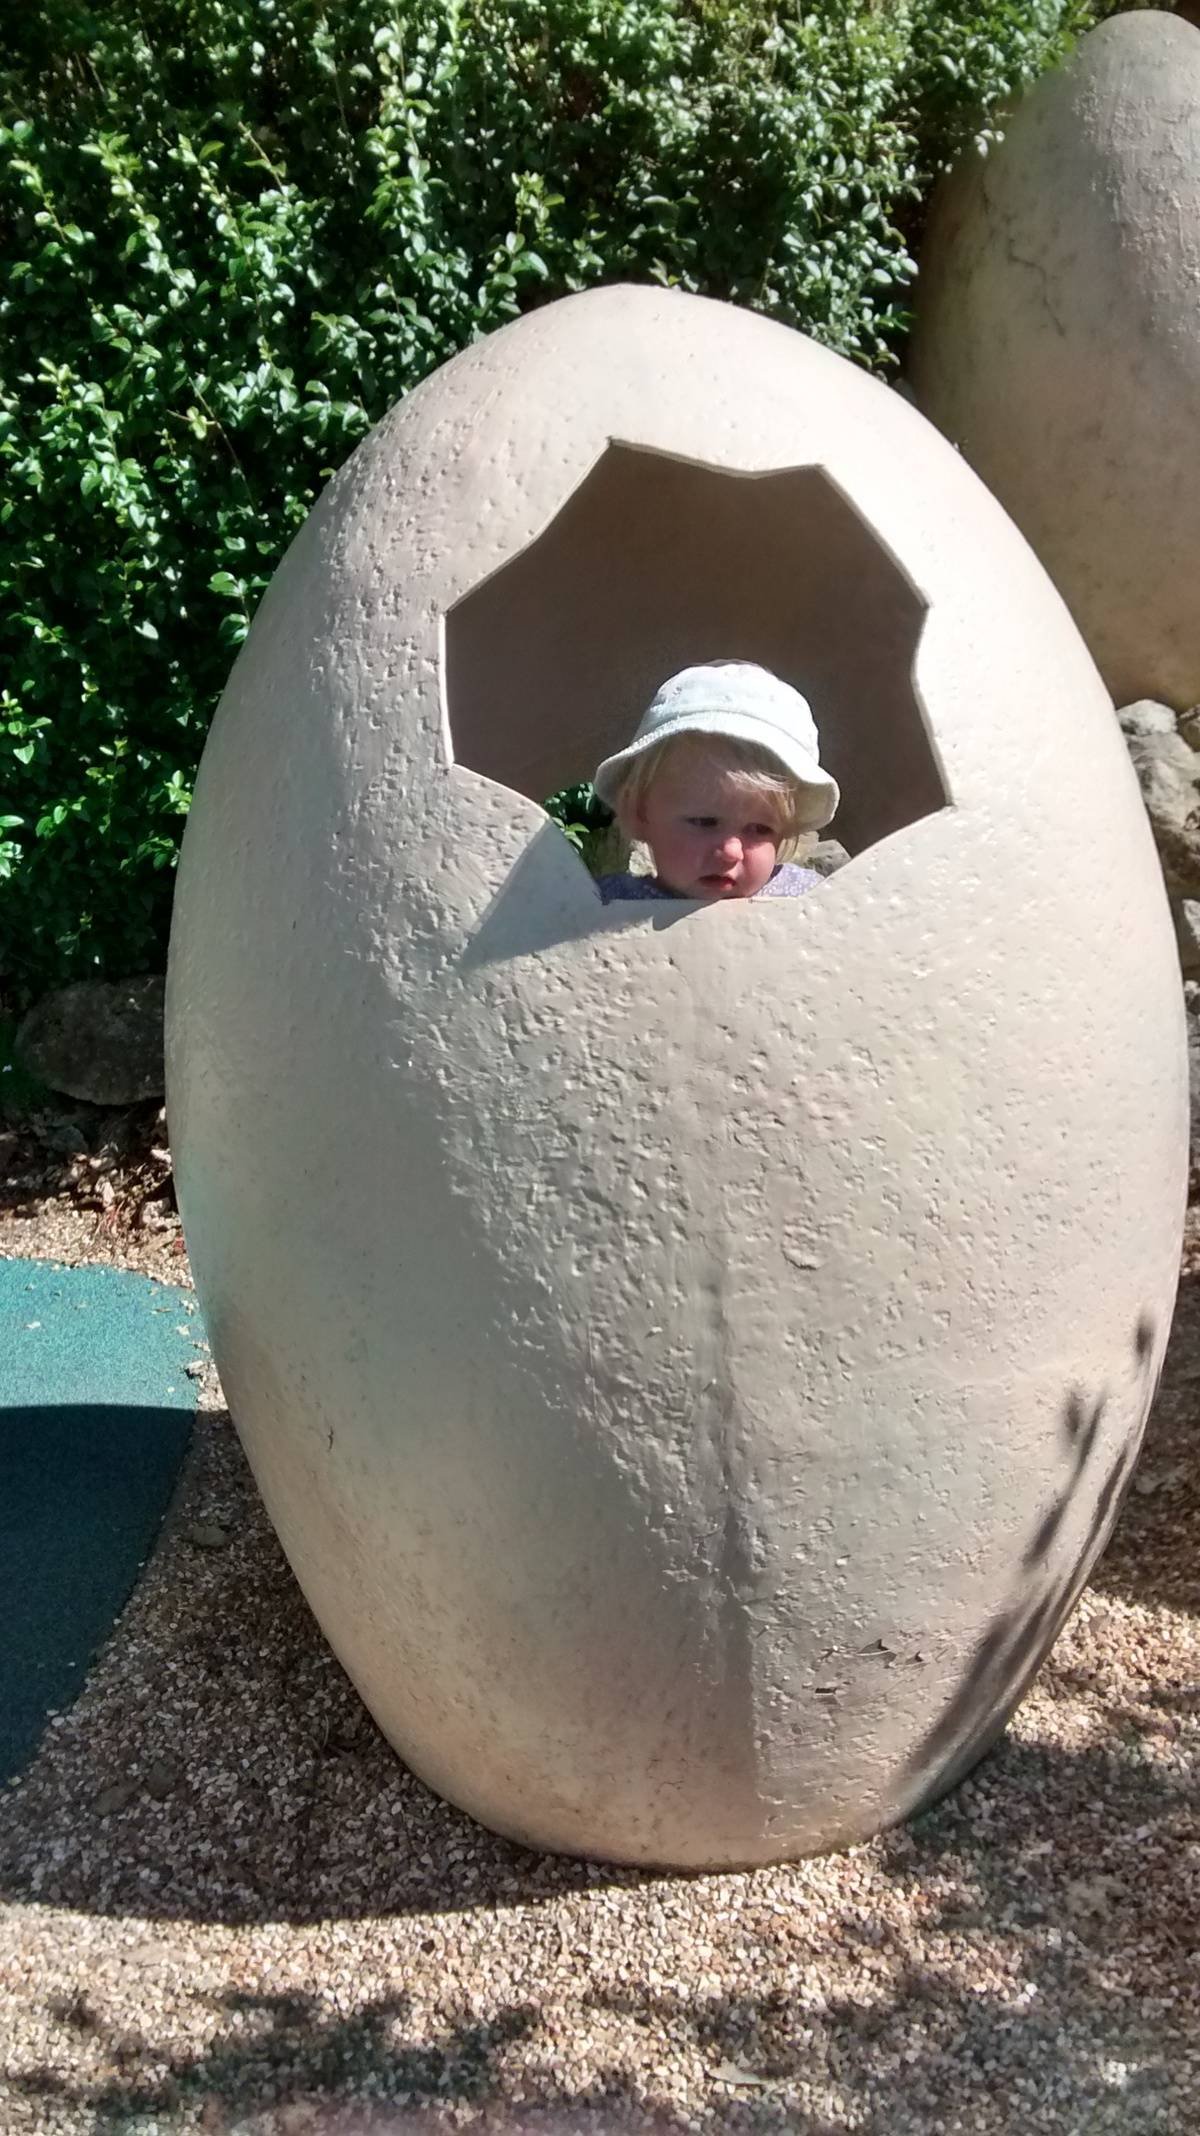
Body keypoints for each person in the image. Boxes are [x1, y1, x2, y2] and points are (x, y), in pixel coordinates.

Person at [591, 661, 840, 903]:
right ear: (639, 813)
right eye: (705, 822)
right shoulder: (607, 907)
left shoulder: (807, 900)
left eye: (760, 829)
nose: (731, 852)